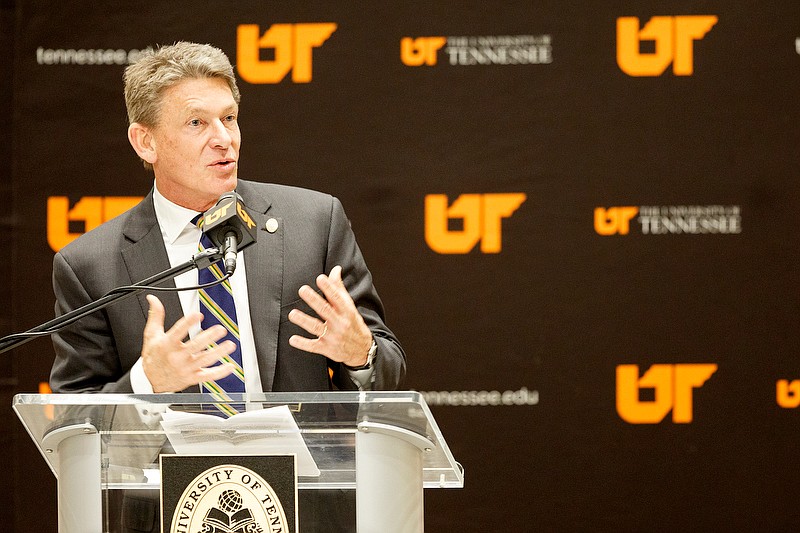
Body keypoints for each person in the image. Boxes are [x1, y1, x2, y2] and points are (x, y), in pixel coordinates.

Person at [48, 41, 406, 532]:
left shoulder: (313, 223)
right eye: (197, 123)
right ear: (145, 141)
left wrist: (360, 353)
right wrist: (147, 384)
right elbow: (73, 428)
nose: (224, 139)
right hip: (167, 514)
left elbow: (386, 368)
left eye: (230, 118)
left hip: (307, 510)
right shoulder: (90, 265)